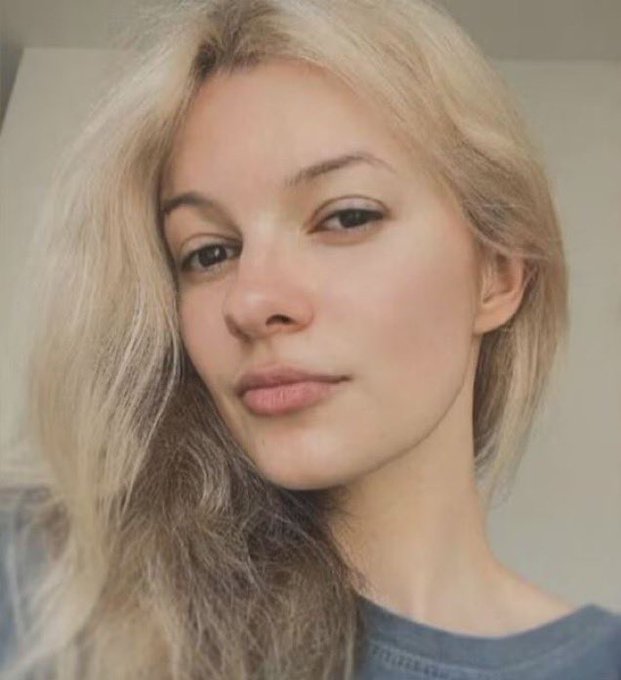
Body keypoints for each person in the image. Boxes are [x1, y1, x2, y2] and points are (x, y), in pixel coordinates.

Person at [1, 0, 619, 678]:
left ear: (496, 277)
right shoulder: (49, 586)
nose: (251, 302)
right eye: (208, 253)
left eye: (345, 217)